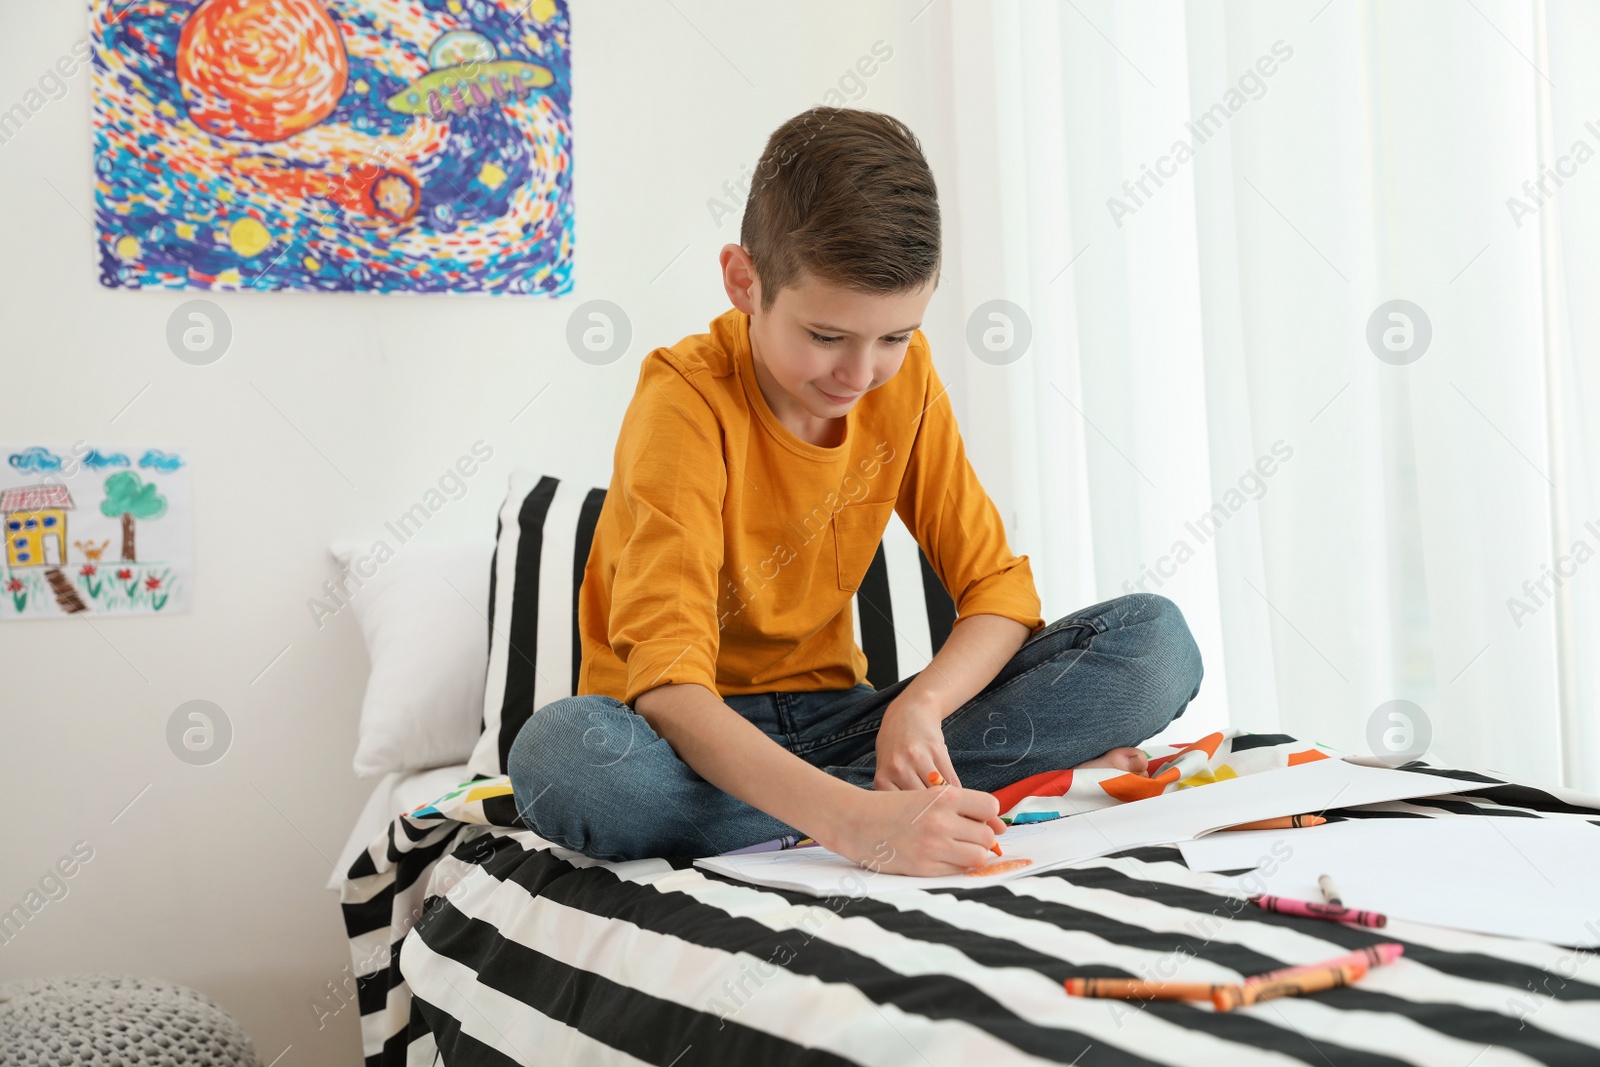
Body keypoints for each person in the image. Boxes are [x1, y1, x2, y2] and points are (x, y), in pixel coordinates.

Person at [509, 107, 1203, 876]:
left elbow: (1000, 595)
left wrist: (919, 708)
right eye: (827, 336)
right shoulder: (684, 400)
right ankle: (862, 806)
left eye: (895, 338)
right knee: (560, 759)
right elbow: (671, 689)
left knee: (1155, 643)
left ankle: (830, 803)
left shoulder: (904, 382)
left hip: (845, 719)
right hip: (684, 739)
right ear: (745, 281)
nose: (860, 374)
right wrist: (860, 825)